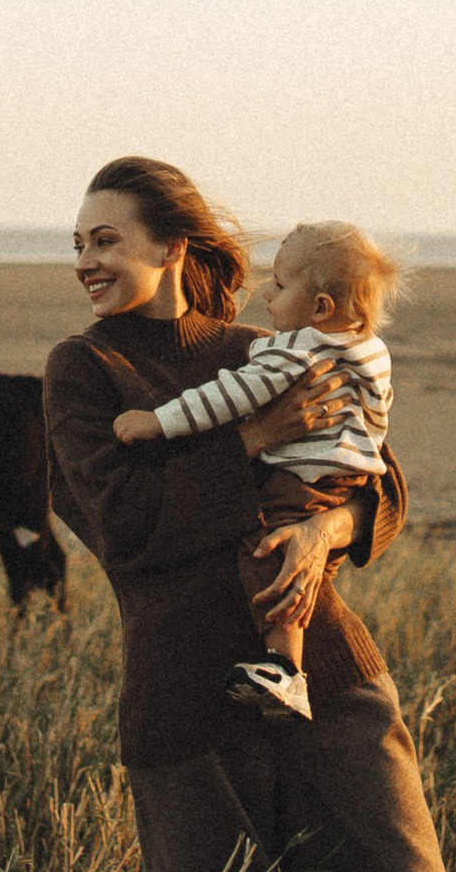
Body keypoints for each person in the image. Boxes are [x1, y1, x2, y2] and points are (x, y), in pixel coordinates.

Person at [43, 156, 456, 872]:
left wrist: (323, 534)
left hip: (329, 671)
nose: (86, 260)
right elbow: (124, 527)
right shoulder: (85, 370)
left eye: (106, 240)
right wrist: (252, 443)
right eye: (78, 244)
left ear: (172, 248)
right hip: (186, 695)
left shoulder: (261, 350)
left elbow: (382, 487)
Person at [111, 219, 396, 723]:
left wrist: (158, 422)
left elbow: (224, 397)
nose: (266, 294)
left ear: (174, 251)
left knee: (270, 553)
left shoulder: (294, 350)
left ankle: (285, 668)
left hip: (302, 488)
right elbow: (125, 517)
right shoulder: (366, 350)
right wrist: (262, 439)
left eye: (281, 285)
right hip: (344, 477)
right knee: (296, 558)